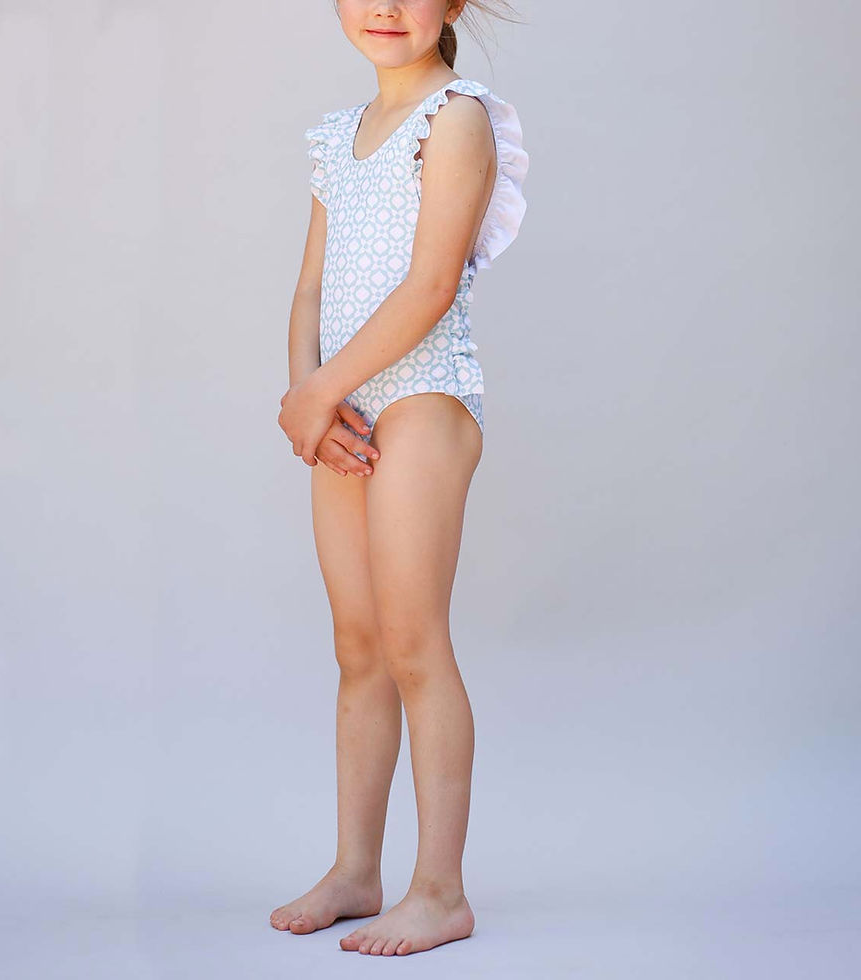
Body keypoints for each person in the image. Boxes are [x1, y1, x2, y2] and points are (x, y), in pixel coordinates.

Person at [274, 0, 529, 957]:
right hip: (343, 404)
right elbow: (310, 285)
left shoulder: (456, 119)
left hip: (424, 394)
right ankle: (356, 869)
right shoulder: (336, 136)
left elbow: (430, 283)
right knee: (359, 645)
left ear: (454, 5)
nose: (385, 6)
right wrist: (310, 396)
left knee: (415, 641)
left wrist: (319, 393)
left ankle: (440, 890)